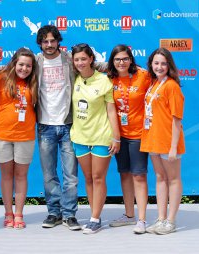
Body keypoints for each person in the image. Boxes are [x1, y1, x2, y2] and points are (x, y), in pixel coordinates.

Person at [70, 43, 120, 234]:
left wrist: (116, 138)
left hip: (101, 137)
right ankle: (93, 214)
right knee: (89, 178)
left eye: (84, 58)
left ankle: (95, 218)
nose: (80, 62)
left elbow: (111, 110)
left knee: (98, 177)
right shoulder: (73, 78)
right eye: (77, 59)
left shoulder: (104, 81)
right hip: (80, 137)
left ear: (91, 59)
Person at [35, 25, 80, 230]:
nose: (50, 45)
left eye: (53, 41)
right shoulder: (35, 61)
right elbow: (5, 70)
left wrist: (131, 67)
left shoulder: (69, 59)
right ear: (40, 43)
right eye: (45, 41)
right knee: (49, 174)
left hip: (68, 125)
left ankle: (70, 215)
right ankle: (54, 212)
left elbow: (95, 65)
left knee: (71, 174)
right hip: (45, 126)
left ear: (58, 41)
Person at [0, 47, 38, 229]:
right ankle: (8, 212)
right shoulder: (0, 79)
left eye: (28, 66)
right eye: (21, 64)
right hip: (2, 135)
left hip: (25, 136)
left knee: (21, 175)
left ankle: (19, 213)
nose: (24, 69)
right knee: (6, 175)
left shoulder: (34, 82)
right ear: (14, 63)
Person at [140, 47, 185, 235]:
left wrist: (173, 147)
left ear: (169, 65)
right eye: (156, 63)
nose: (159, 67)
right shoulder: (152, 83)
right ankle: (160, 218)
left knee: (173, 179)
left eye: (163, 63)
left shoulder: (171, 86)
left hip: (168, 141)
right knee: (159, 178)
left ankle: (171, 221)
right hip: (153, 138)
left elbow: (177, 119)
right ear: (151, 64)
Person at [107, 45, 150, 234]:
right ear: (112, 62)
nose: (121, 63)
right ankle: (129, 214)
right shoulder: (110, 78)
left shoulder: (144, 75)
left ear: (131, 59)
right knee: (124, 173)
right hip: (119, 136)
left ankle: (142, 219)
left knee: (139, 175)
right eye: (117, 60)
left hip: (139, 134)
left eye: (125, 59)